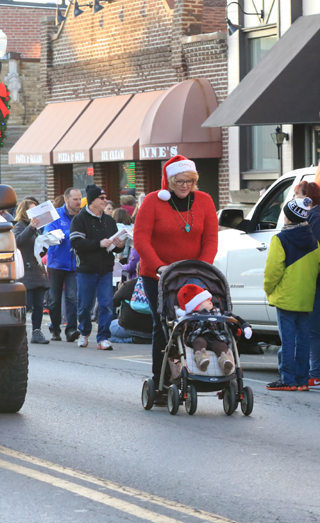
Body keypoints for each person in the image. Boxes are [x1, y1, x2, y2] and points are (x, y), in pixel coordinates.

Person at [134, 155, 218, 388]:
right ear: (170, 181)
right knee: (163, 323)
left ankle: (198, 367)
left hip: (194, 274)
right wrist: (159, 266)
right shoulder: (153, 201)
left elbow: (211, 239)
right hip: (159, 275)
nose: (185, 185)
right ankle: (161, 379)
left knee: (198, 320)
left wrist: (202, 267)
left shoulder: (204, 201)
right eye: (180, 181)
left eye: (189, 181)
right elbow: (140, 239)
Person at [263, 197, 320, 391]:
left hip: (286, 297)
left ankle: (287, 379)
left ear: (287, 217)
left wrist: (269, 289)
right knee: (303, 338)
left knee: (288, 340)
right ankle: (302, 380)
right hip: (306, 296)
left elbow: (273, 271)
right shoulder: (314, 241)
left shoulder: (280, 239)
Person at [69, 184, 124, 350]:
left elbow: (115, 247)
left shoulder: (109, 220)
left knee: (106, 304)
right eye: (101, 198)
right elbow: (76, 242)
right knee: (85, 305)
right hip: (86, 269)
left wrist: (119, 245)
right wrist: (98, 243)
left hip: (106, 269)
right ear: (92, 200)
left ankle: (103, 337)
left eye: (105, 198)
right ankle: (84, 332)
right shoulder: (80, 219)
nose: (105, 201)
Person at [176, 284, 252, 377]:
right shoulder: (191, 316)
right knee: (198, 342)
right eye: (206, 300)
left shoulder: (219, 312)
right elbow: (178, 323)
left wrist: (244, 325)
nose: (210, 301)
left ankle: (225, 360)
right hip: (199, 336)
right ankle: (200, 358)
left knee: (221, 345)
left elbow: (234, 317)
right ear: (196, 306)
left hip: (217, 337)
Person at [43, 187, 82, 342]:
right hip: (56, 263)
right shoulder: (55, 215)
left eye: (80, 199)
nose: (78, 202)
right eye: (75, 199)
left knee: (72, 298)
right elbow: (48, 234)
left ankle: (71, 330)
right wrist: (71, 234)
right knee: (55, 299)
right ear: (66, 199)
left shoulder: (81, 216)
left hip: (74, 264)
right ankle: (55, 329)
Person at [13, 199, 51, 344]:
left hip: (37, 270)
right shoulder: (19, 226)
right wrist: (31, 228)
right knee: (27, 304)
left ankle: (36, 331)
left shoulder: (37, 228)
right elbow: (17, 242)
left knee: (39, 304)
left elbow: (38, 250)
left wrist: (47, 242)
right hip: (27, 271)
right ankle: (19, 333)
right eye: (32, 210)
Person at [298, 179, 320, 389]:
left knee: (313, 329)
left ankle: (315, 373)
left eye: (297, 196)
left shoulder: (314, 217)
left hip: (316, 279)